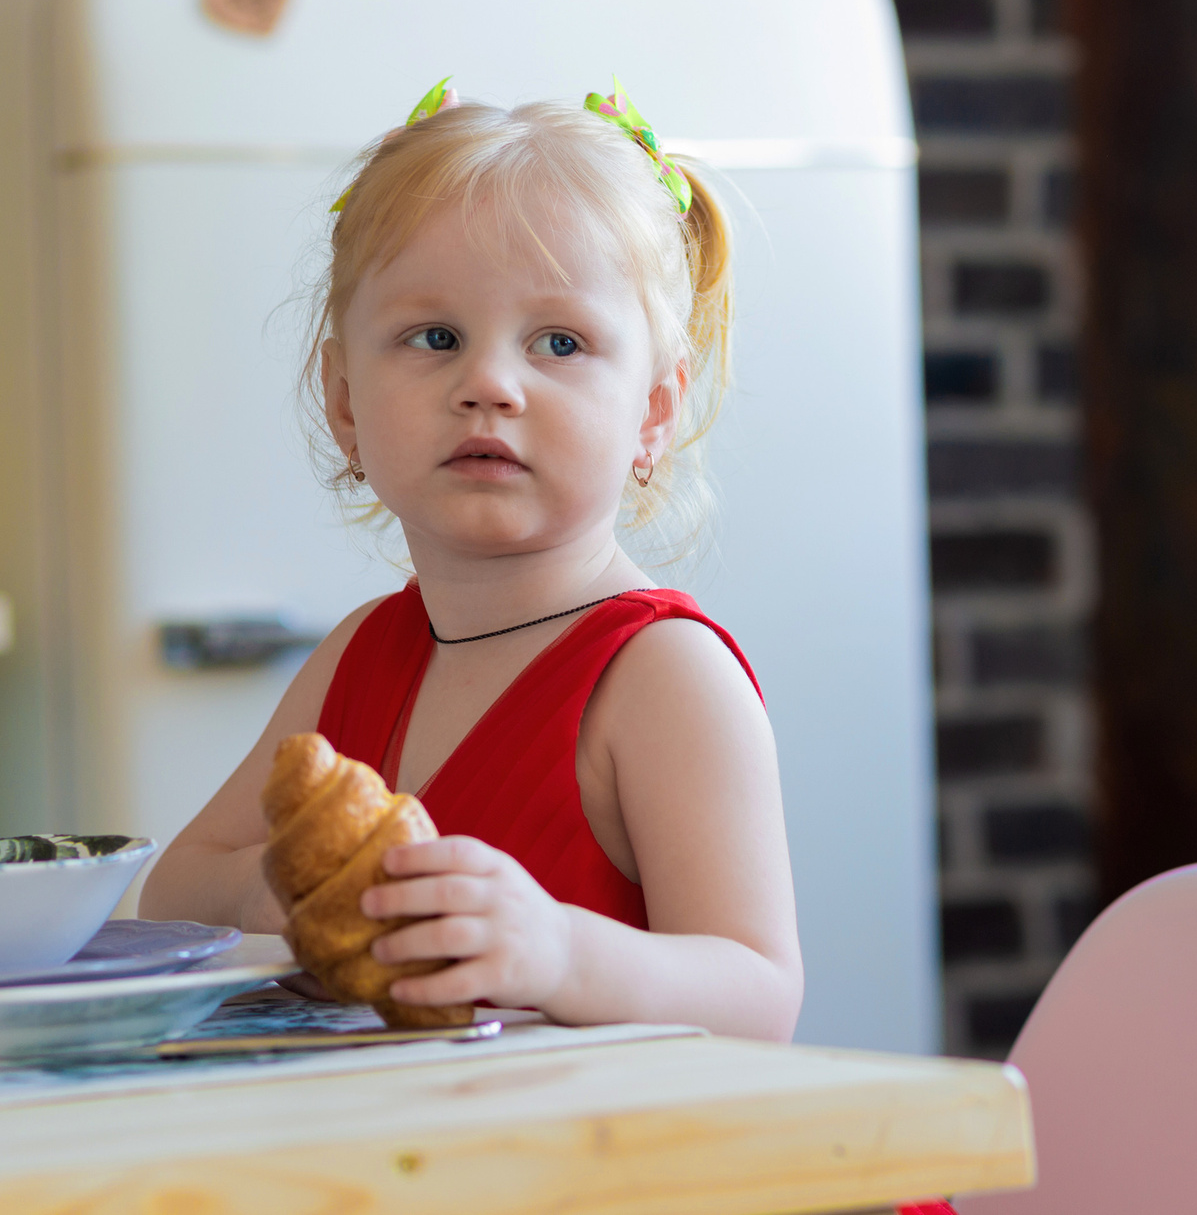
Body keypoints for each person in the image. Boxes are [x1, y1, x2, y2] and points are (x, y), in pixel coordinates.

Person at [141, 79, 802, 1040]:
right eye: (436, 337)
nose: (489, 383)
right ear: (345, 401)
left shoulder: (663, 675)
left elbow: (760, 997)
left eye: (560, 343)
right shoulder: (362, 652)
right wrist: (270, 888)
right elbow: (171, 894)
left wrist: (560, 953)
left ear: (654, 412)